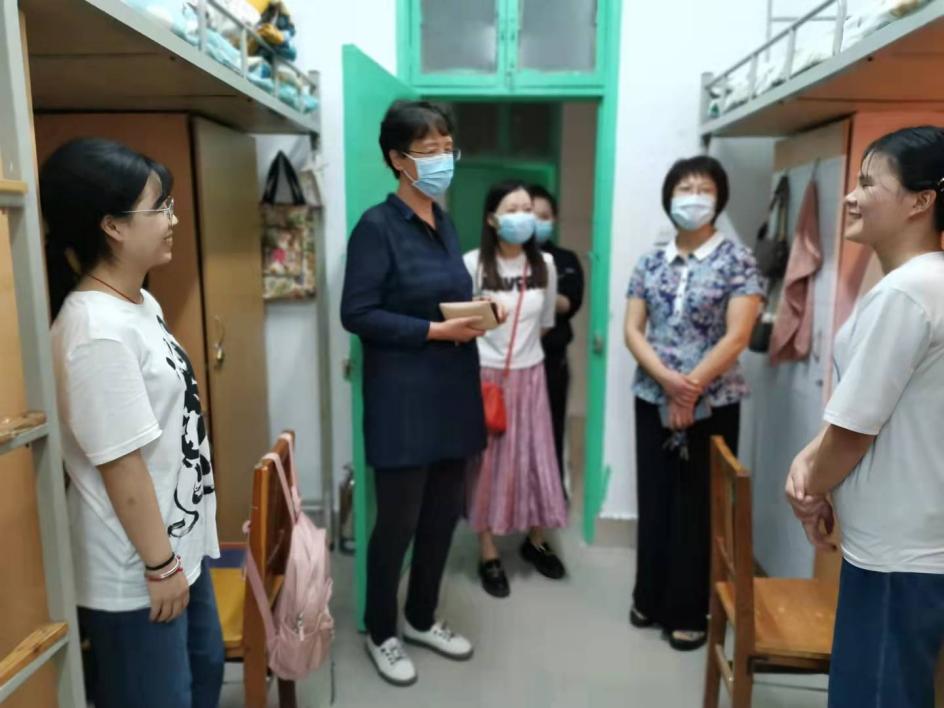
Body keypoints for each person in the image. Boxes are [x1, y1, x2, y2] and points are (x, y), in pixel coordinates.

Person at [43, 138, 224, 708]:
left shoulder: (139, 303)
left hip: (175, 545)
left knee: (205, 673)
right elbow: (121, 466)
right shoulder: (95, 331)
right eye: (159, 208)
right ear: (113, 226)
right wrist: (160, 564)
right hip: (137, 567)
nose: (172, 220)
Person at [785, 126, 944, 708]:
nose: (851, 196)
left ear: (921, 201)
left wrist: (809, 489)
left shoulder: (907, 294)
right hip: (910, 543)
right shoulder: (922, 284)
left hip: (899, 553)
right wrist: (811, 459)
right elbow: (869, 406)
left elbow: (855, 431)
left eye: (869, 184)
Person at [341, 100, 485, 687]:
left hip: (453, 393)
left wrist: (477, 314)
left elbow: (443, 296)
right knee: (397, 523)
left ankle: (422, 617)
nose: (443, 159)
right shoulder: (377, 227)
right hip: (402, 401)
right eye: (429, 151)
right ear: (398, 159)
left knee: (442, 518)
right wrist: (433, 331)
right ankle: (382, 631)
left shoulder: (443, 222)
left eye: (448, 148)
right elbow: (358, 313)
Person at [624, 156, 763, 651]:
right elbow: (632, 330)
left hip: (715, 402)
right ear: (669, 198)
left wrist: (692, 386)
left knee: (699, 504)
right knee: (656, 498)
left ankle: (688, 610)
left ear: (719, 199)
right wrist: (667, 381)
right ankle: (648, 596)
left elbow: (738, 335)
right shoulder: (650, 262)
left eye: (704, 189)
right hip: (652, 396)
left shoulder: (738, 260)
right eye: (685, 188)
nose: (694, 197)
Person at [464, 180, 569, 599]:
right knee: (486, 464)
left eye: (528, 208)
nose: (523, 216)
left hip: (532, 376)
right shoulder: (472, 264)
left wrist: (521, 353)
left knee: (536, 459)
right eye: (513, 209)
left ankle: (536, 541)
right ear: (492, 219)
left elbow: (545, 324)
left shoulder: (546, 265)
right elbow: (462, 324)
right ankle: (488, 552)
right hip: (485, 378)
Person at [528, 185, 585, 495]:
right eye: (531, 214)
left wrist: (543, 293)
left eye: (544, 216)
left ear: (554, 219)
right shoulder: (503, 258)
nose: (537, 222)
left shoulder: (564, 260)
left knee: (550, 428)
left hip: (551, 359)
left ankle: (550, 496)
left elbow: (571, 303)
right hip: (508, 360)